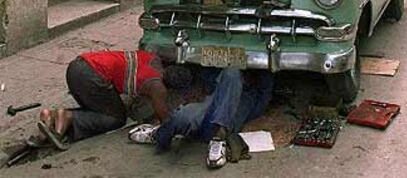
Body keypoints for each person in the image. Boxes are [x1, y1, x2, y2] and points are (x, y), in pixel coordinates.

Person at [131, 67, 274, 170]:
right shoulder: (224, 86)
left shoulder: (252, 94)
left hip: (221, 125)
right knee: (182, 117)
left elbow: (263, 96)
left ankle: (219, 137)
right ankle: (158, 134)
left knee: (232, 72)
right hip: (206, 117)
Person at [30, 49, 171, 151]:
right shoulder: (157, 85)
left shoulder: (150, 57)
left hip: (77, 66)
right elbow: (163, 114)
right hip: (92, 76)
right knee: (115, 118)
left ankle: (51, 116)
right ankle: (68, 116)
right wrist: (166, 126)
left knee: (98, 108)